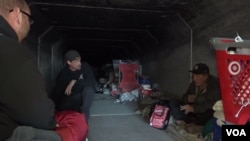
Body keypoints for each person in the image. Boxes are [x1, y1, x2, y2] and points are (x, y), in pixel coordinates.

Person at [0, 0, 61, 140]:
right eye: (29, 19)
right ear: (17, 15)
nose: (29, 25)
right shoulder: (12, 51)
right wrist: (52, 120)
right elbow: (39, 115)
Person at [169, 63, 221, 134]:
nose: (194, 78)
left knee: (212, 112)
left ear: (205, 76)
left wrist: (194, 108)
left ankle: (193, 123)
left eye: (197, 76)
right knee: (173, 102)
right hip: (193, 111)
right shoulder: (195, 83)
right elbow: (184, 96)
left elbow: (214, 105)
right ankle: (185, 121)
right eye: (193, 76)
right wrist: (188, 98)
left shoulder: (214, 86)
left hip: (205, 112)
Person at [51, 49, 97, 121]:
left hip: (84, 95)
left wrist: (74, 81)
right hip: (73, 99)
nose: (79, 63)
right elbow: (57, 93)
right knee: (66, 105)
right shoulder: (64, 74)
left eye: (80, 60)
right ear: (69, 62)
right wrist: (52, 110)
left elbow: (92, 82)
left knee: (89, 89)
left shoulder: (85, 66)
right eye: (76, 61)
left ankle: (84, 120)